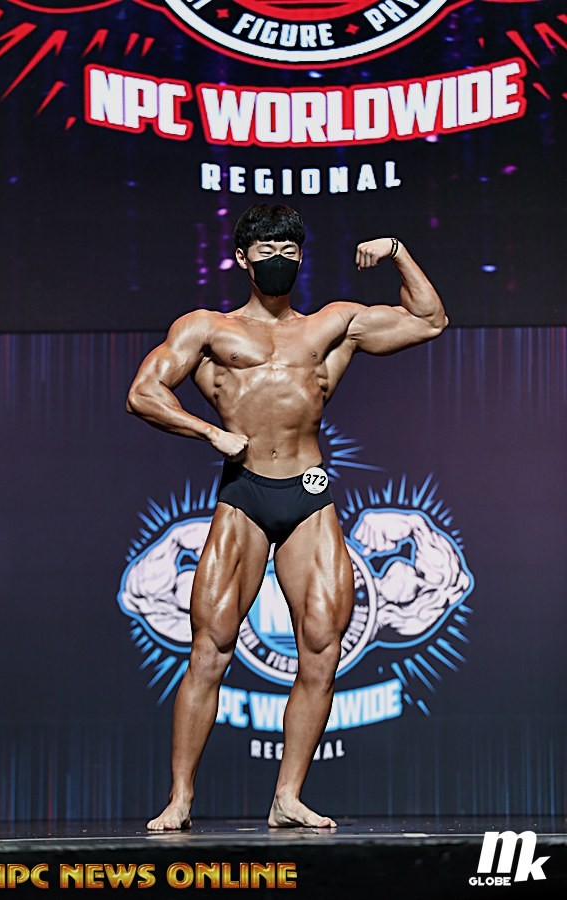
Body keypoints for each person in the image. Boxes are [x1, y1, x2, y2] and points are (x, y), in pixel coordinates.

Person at [126, 204, 448, 830]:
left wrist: (398, 251)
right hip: (243, 492)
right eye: (265, 248)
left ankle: (287, 797)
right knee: (211, 649)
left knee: (322, 649)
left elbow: (430, 320)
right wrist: (209, 433)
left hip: (309, 490)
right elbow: (143, 393)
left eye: (288, 248)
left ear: (301, 257)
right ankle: (181, 798)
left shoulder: (333, 324)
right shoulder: (207, 328)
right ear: (242, 258)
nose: (278, 258)